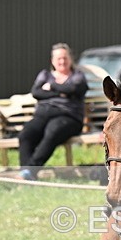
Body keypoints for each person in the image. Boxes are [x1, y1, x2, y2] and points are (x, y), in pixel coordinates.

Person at [18, 43, 88, 180]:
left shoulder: (78, 76)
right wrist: (61, 93)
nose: (62, 61)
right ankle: (25, 174)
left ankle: (30, 171)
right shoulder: (44, 74)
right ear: (52, 61)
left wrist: (52, 86)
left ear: (70, 59)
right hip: (43, 115)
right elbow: (36, 92)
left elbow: (75, 89)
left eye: (65, 58)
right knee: (26, 133)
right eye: (59, 58)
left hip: (68, 116)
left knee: (53, 131)